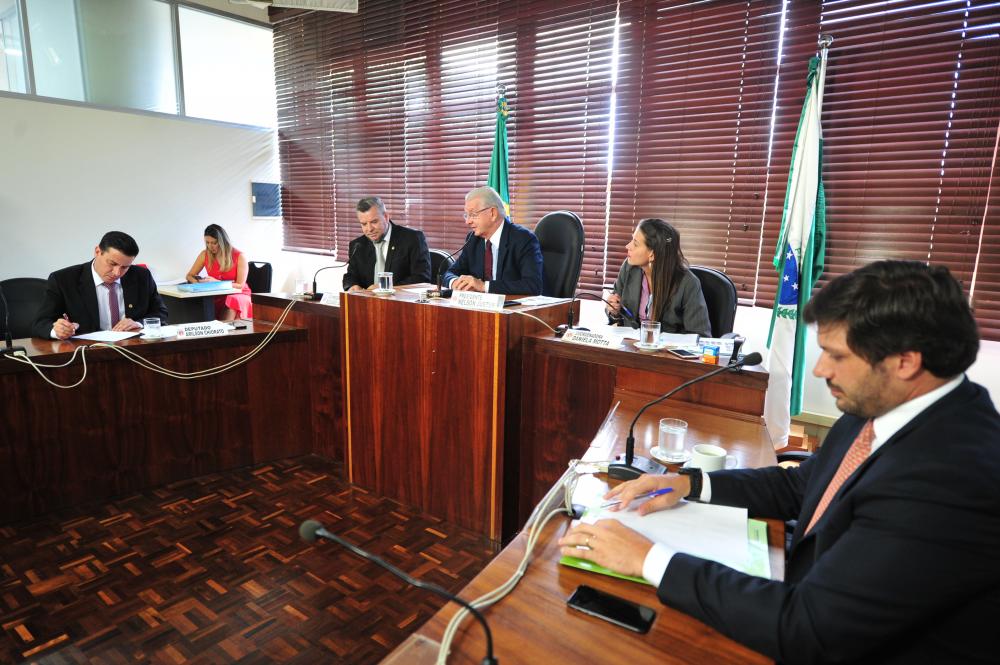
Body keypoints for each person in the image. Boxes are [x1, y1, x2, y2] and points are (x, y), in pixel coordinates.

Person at [559, 260, 999, 664]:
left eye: (837, 355)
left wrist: (649, 559)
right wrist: (689, 485)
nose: (821, 370)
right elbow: (800, 486)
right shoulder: (884, 405)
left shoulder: (952, 478)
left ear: (905, 362)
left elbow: (811, 628)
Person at [32, 231, 169, 340]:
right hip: (85, 352)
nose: (117, 273)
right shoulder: (63, 280)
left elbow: (160, 312)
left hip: (132, 347)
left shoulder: (142, 276)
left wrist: (137, 323)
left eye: (125, 267)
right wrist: (57, 330)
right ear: (98, 251)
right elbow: (40, 323)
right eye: (112, 263)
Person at [605, 218, 711, 336]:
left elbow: (700, 335)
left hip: (666, 347)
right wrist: (613, 311)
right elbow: (615, 314)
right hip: (630, 344)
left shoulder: (688, 283)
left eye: (635, 243)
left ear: (652, 254)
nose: (627, 246)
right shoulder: (629, 268)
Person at [443, 186, 543, 295]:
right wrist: (455, 282)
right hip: (481, 304)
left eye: (473, 215)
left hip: (511, 304)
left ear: (493, 213)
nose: (468, 221)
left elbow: (533, 285)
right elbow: (450, 273)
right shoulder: (473, 240)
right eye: (466, 215)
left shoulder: (523, 239)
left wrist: (483, 286)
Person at [343, 197, 431, 291]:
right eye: (364, 224)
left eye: (374, 222)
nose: (369, 229)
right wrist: (352, 286)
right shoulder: (358, 245)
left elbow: (422, 278)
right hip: (368, 300)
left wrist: (386, 288)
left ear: (386, 217)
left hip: (400, 299)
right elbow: (350, 276)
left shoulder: (412, 239)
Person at [185, 224, 253, 321]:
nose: (210, 246)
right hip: (217, 294)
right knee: (198, 304)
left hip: (239, 294)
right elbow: (189, 275)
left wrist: (217, 283)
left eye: (214, 243)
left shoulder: (239, 256)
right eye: (207, 242)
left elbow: (240, 285)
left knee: (232, 301)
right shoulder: (204, 254)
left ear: (223, 242)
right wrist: (197, 283)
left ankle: (225, 329)